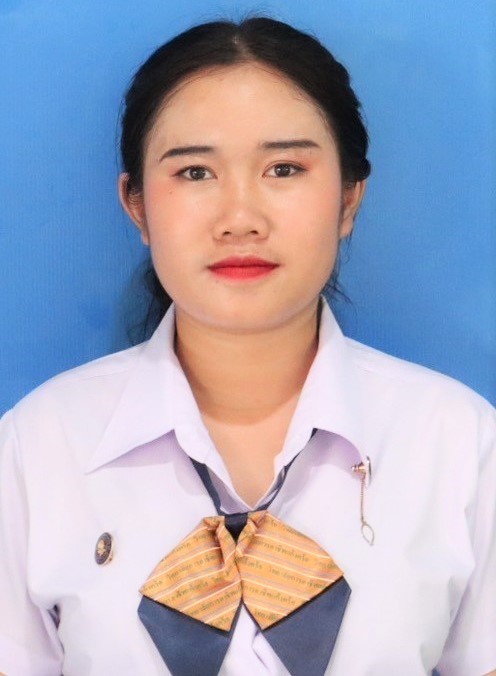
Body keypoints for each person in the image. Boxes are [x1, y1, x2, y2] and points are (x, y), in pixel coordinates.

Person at [0, 16, 495, 676]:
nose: (240, 218)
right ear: (137, 204)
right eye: (195, 172)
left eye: (283, 168)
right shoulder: (37, 449)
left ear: (349, 199)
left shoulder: (460, 446)